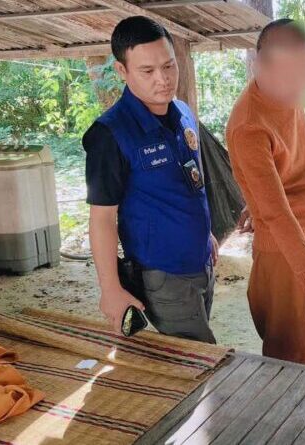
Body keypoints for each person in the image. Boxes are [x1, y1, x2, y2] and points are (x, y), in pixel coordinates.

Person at [84, 16, 219, 343]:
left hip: (201, 261)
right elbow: (102, 218)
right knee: (198, 359)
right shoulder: (111, 134)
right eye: (147, 71)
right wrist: (110, 289)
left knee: (192, 356)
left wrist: (207, 235)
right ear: (122, 70)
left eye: (169, 65)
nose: (163, 79)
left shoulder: (182, 112)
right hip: (163, 273)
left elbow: (191, 181)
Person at [226, 19, 305, 369]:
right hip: (287, 253)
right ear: (259, 65)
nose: (302, 85)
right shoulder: (249, 126)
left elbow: (285, 171)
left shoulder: (287, 92)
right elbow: (277, 214)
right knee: (300, 366)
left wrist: (257, 199)